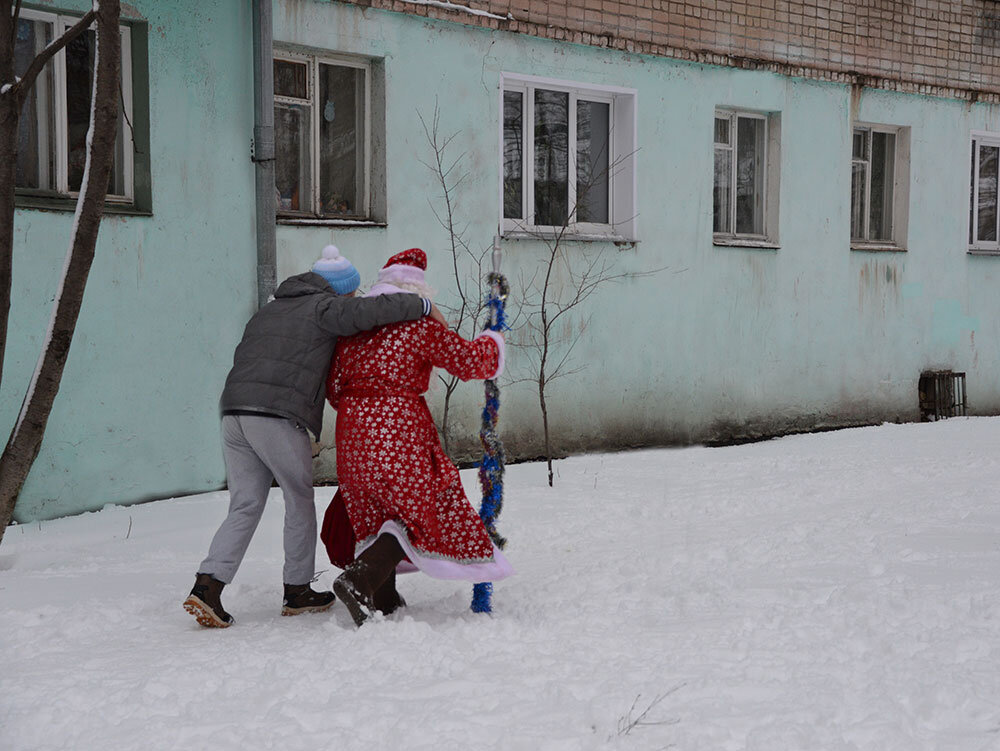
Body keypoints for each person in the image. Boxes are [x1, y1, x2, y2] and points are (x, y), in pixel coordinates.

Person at [183, 245, 445, 628]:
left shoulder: (269, 310)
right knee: (299, 498)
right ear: (340, 291)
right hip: (275, 415)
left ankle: (208, 586)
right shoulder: (324, 307)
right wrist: (420, 306)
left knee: (244, 504)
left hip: (234, 413)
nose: (354, 298)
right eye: (352, 293)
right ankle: (298, 590)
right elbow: (370, 313)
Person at [325, 248, 513, 627]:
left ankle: (385, 598)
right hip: (398, 427)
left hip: (351, 432)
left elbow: (333, 388)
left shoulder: (353, 332)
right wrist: (493, 339)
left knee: (374, 512)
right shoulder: (420, 326)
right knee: (414, 512)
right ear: (417, 293)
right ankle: (359, 580)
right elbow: (469, 362)